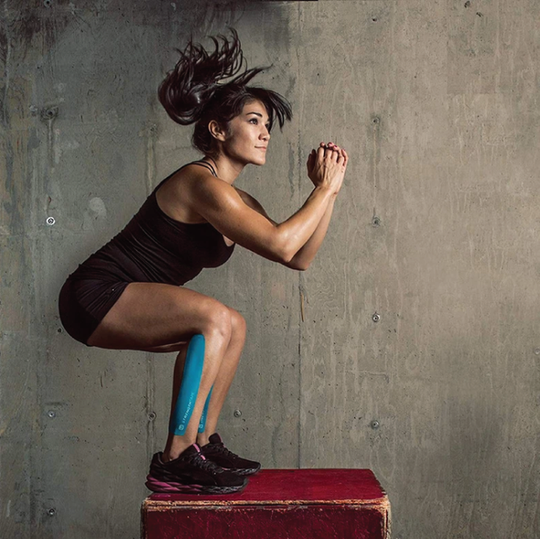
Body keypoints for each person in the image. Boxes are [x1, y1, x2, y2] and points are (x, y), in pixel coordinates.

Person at [58, 29, 348, 495]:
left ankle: (203, 443)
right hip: (95, 294)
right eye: (253, 121)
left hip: (124, 298)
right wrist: (324, 189)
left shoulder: (236, 198)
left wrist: (330, 193)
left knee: (233, 323)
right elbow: (278, 243)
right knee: (213, 318)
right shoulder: (202, 183)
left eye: (267, 125)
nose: (264, 133)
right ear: (217, 129)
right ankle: (174, 457)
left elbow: (299, 257)